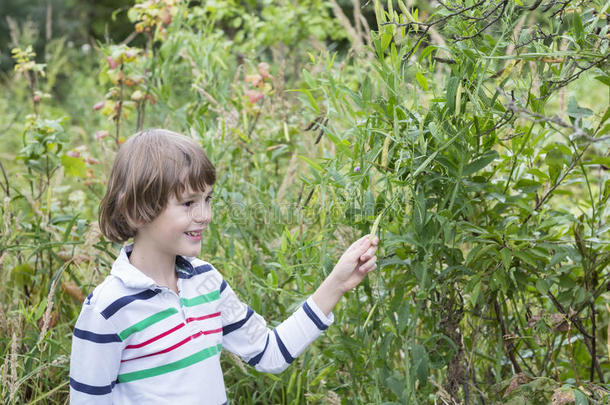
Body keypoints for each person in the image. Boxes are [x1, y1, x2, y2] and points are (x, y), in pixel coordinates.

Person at [69, 128, 379, 404]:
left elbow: (268, 352)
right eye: (189, 203)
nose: (205, 215)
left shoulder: (206, 282)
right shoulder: (108, 310)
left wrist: (336, 283)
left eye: (208, 199)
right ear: (138, 212)